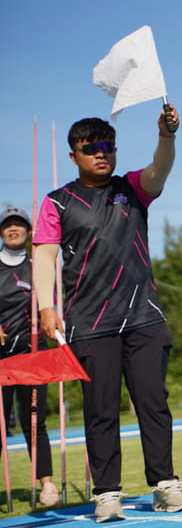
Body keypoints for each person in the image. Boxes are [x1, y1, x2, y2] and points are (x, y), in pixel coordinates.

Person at [32, 107, 182, 523]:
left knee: (154, 404)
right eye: (91, 149)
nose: (101, 155)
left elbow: (161, 168)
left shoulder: (133, 189)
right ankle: (107, 493)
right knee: (100, 411)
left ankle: (165, 484)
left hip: (144, 317)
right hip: (90, 324)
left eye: (107, 147)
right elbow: (45, 256)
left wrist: (167, 136)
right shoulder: (57, 203)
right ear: (75, 156)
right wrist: (45, 306)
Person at [0, 207, 59, 507]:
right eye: (8, 225)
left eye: (19, 225)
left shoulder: (38, 267)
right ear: (1, 232)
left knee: (35, 421)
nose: (13, 229)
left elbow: (52, 301)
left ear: (27, 232)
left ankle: (47, 485)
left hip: (33, 355)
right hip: (0, 360)